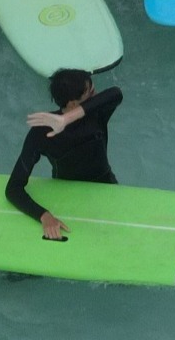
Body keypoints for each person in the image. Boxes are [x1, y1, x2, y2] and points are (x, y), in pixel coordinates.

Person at [6, 69, 121, 240]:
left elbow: (115, 93)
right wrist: (44, 216)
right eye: (91, 92)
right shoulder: (42, 132)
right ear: (74, 104)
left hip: (106, 188)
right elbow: (13, 188)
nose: (96, 95)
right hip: (65, 198)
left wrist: (66, 119)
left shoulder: (98, 112)